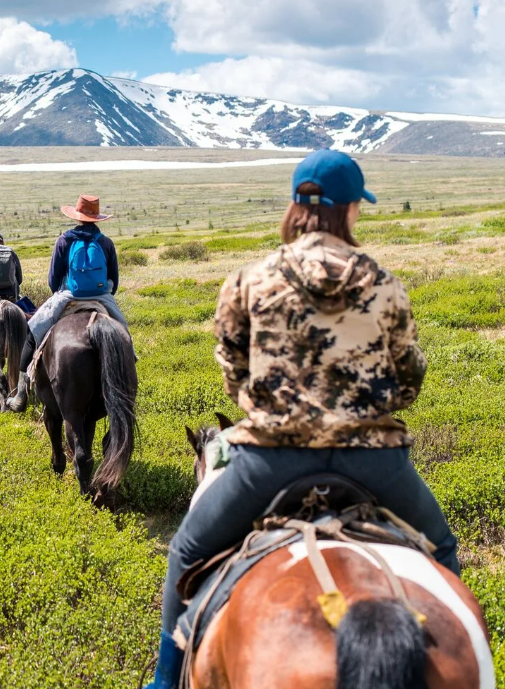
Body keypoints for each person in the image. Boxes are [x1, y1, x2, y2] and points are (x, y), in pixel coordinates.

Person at [145, 149, 460, 689]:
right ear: (349, 209)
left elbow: (233, 369)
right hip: (374, 462)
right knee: (443, 552)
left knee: (187, 551)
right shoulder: (383, 283)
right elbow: (408, 380)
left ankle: (162, 681)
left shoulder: (251, 278)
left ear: (297, 205)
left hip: (269, 460)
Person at [6, 195, 126, 412]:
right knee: (124, 336)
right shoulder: (106, 243)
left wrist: (63, 293)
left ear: (77, 217)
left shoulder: (64, 240)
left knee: (32, 333)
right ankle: (127, 374)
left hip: (68, 296)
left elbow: (53, 280)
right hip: (102, 297)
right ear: (97, 218)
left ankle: (21, 395)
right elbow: (114, 281)